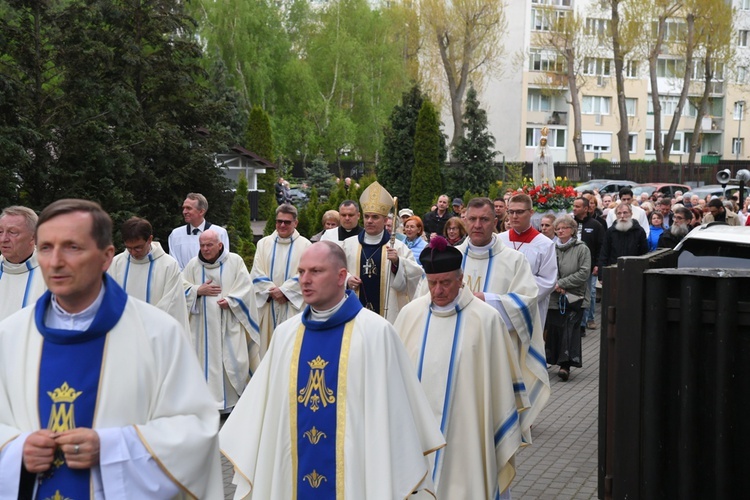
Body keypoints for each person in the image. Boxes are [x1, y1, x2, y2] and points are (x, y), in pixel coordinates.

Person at [0, 199, 222, 498]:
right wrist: (17, 450)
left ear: (106, 257)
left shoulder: (158, 334)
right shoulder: (10, 335)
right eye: (46, 248)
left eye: (72, 247)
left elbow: (198, 430)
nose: (55, 261)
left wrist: (112, 449)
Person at [220, 241, 445, 499]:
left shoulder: (376, 333)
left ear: (341, 277)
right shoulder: (286, 335)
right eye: (301, 272)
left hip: (356, 478)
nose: (304, 280)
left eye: (315, 272)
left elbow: (392, 421)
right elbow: (265, 416)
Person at [395, 237, 529, 499]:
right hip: (418, 436)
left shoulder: (486, 319)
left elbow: (499, 385)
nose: (438, 290)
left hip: (468, 429)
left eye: (445, 282)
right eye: (432, 283)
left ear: (461, 279)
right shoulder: (409, 315)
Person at [456, 197, 550, 443]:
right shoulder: (450, 258)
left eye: (484, 219)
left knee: (495, 434)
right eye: (473, 219)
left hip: (497, 358)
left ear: (496, 221)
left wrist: (486, 300)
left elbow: (527, 302)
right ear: (464, 220)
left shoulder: (514, 260)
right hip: (455, 358)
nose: (478, 225)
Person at [183, 229, 262, 411]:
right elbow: (181, 286)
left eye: (209, 245)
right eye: (202, 245)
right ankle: (204, 405)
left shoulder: (234, 261)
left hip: (228, 322)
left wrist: (231, 300)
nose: (205, 249)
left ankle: (229, 405)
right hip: (201, 327)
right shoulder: (193, 265)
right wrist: (196, 290)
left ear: (220, 245)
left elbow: (246, 288)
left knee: (233, 360)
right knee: (202, 363)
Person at [343, 182, 422, 323]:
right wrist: (347, 279)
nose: (369, 221)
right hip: (354, 312)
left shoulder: (398, 247)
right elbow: (336, 271)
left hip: (387, 315)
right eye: (367, 216)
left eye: (375, 217)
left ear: (385, 220)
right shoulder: (349, 245)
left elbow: (415, 276)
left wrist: (398, 263)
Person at [107, 216, 189, 332]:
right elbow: (109, 298)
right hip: (124, 331)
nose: (133, 253)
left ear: (149, 239)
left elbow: (171, 303)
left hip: (155, 333)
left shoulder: (168, 265)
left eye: (138, 248)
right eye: (129, 248)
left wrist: (143, 324)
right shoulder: (116, 263)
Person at [251, 204, 312, 344]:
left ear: (295, 223)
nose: (282, 225)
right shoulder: (263, 243)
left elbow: (307, 274)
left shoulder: (306, 245)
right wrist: (273, 291)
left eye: (287, 222)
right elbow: (256, 271)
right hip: (267, 305)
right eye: (279, 221)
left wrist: (285, 291)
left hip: (292, 306)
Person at [498, 194, 557, 328]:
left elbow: (548, 281)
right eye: (511, 212)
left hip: (528, 308)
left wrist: (517, 297)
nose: (514, 216)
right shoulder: (499, 240)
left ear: (531, 212)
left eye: (519, 212)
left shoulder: (545, 244)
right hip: (501, 306)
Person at [546, 216, 591, 382]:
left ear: (572, 230)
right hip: (555, 296)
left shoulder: (582, 248)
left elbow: (584, 272)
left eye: (564, 228)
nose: (560, 231)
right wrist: (555, 284)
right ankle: (554, 360)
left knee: (570, 330)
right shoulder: (551, 247)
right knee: (556, 329)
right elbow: (547, 267)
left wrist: (562, 283)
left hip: (575, 297)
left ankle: (566, 366)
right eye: (558, 228)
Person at [0, 206, 47, 321]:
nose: (3, 239)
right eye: (0, 231)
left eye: (12, 232)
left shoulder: (50, 274)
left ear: (33, 237)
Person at [168, 192, 230, 270]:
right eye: (183, 208)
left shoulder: (220, 233)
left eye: (188, 208)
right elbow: (174, 265)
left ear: (201, 211)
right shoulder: (175, 235)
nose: (184, 212)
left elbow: (224, 261)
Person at [571, 197, 604, 333]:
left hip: (588, 266)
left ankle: (583, 323)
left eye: (578, 206)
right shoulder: (570, 224)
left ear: (586, 208)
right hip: (571, 265)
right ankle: (576, 322)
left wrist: (597, 265)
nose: (574, 208)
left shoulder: (595, 225)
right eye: (573, 206)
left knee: (587, 294)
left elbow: (601, 246)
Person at [598, 203, 648, 273]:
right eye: (619, 213)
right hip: (614, 270)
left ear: (631, 214)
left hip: (634, 271)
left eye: (625, 213)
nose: (622, 216)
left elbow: (644, 253)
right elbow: (604, 253)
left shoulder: (639, 231)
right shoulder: (610, 232)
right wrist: (601, 274)